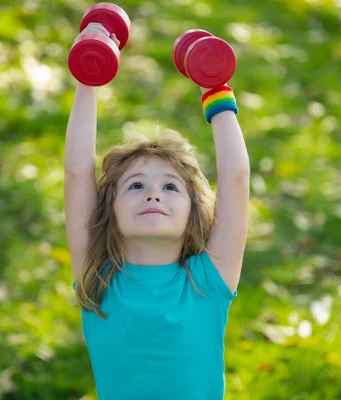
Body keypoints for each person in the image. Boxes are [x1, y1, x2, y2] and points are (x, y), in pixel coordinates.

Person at [64, 23, 250, 400]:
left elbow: (236, 177)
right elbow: (77, 172)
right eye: (136, 186)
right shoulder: (98, 280)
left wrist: (214, 88)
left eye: (169, 186)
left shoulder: (208, 280)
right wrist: (89, 76)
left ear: (194, 212)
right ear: (109, 211)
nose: (153, 195)